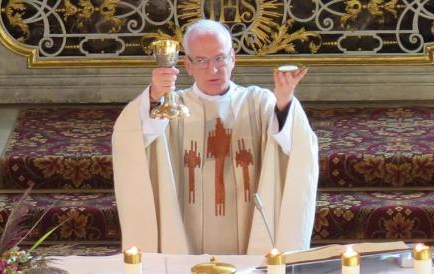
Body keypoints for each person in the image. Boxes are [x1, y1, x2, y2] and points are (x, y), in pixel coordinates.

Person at [112, 19, 319, 255]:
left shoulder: (257, 102)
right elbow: (132, 139)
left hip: (249, 229)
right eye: (201, 61)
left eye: (220, 58)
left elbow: (296, 144)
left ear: (233, 58)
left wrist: (284, 101)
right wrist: (154, 95)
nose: (213, 70)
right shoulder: (171, 107)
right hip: (185, 229)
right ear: (187, 65)